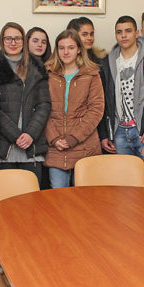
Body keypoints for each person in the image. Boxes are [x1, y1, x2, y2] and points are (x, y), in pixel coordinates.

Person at [98, 16, 144, 188]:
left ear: (137, 33)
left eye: (128, 31)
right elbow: (104, 100)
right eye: (119, 32)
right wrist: (106, 133)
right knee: (125, 185)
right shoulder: (108, 62)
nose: (123, 35)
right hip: (120, 132)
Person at [0, 22, 51, 183]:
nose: (13, 42)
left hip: (32, 146)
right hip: (5, 148)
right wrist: (16, 135)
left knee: (32, 195)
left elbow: (44, 104)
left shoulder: (36, 66)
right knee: (6, 195)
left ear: (23, 41)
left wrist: (30, 134)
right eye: (8, 38)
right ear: (2, 41)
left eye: (17, 38)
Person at [45, 29, 104, 187]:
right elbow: (41, 110)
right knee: (59, 198)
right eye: (61, 48)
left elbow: (96, 110)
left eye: (70, 47)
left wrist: (73, 138)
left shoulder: (92, 74)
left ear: (79, 49)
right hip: (56, 149)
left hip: (85, 147)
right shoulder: (48, 74)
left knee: (84, 199)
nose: (66, 52)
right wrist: (54, 138)